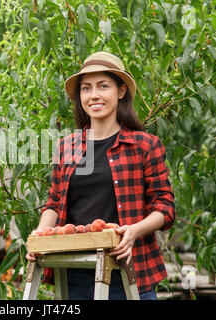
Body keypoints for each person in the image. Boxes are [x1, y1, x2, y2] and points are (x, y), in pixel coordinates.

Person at [26, 51, 175, 300]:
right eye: (86, 88)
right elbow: (53, 202)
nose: (93, 95)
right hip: (74, 271)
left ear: (121, 91)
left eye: (103, 86)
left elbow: (164, 207)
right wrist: (39, 236)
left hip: (127, 272)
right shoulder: (67, 147)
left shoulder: (144, 146)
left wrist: (134, 231)